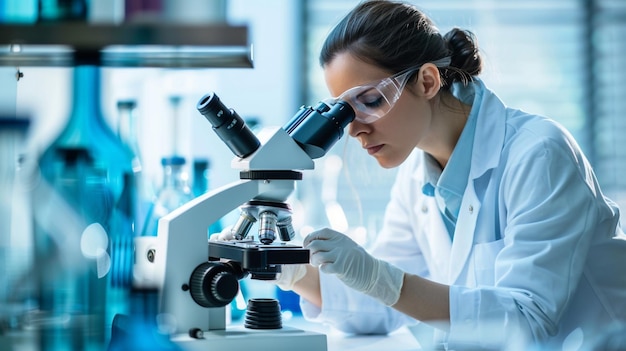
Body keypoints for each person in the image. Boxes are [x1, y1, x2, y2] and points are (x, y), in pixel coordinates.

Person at [269, 0, 626, 349]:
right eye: (345, 112)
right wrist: (293, 272)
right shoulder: (415, 177)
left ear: (427, 82)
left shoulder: (539, 154)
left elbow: (525, 322)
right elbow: (380, 305)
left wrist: (380, 279)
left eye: (371, 101)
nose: (354, 130)